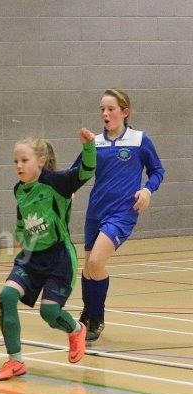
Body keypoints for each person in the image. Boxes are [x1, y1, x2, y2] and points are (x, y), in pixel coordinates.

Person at [0, 129, 96, 381]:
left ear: (40, 161)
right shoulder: (19, 190)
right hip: (31, 258)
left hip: (59, 258)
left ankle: (76, 329)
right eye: (15, 161)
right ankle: (15, 360)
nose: (18, 166)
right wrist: (19, 234)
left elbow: (86, 171)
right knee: (7, 295)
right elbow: (22, 218)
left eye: (24, 160)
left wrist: (89, 147)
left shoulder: (57, 183)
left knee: (49, 313)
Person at [74, 89, 165, 341]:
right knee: (88, 268)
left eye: (110, 109)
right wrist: (65, 190)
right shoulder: (95, 143)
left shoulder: (139, 140)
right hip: (95, 211)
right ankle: (88, 311)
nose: (105, 113)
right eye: (102, 109)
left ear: (125, 112)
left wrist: (147, 190)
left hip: (122, 212)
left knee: (96, 263)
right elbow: (77, 172)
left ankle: (97, 317)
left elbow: (157, 170)